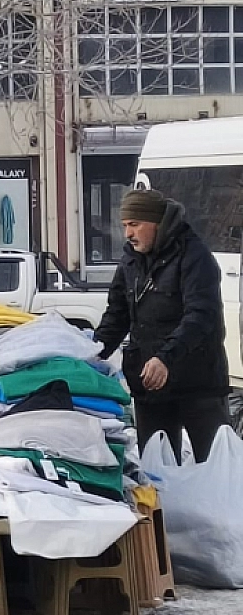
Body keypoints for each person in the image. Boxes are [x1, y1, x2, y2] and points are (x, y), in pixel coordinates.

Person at [96, 189, 230, 463]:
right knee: (157, 470)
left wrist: (166, 358)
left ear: (157, 223)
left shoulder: (195, 256)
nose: (128, 234)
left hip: (198, 385)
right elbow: (116, 316)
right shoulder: (131, 260)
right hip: (150, 386)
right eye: (124, 226)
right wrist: (90, 353)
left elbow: (201, 316)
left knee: (216, 467)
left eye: (135, 225)